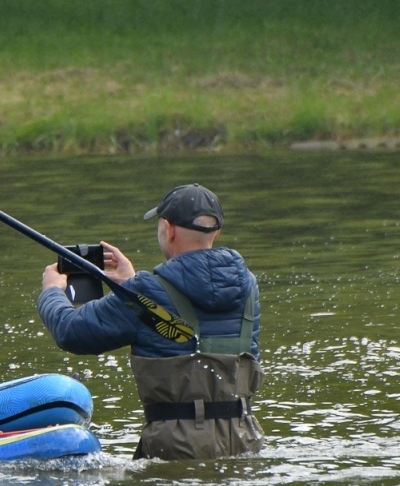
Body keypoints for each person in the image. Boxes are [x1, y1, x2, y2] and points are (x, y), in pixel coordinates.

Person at [36, 183, 264, 460]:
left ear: (168, 229)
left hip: (176, 449)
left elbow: (70, 331)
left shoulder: (144, 292)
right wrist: (130, 285)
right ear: (216, 232)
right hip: (244, 440)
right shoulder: (248, 286)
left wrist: (52, 292)